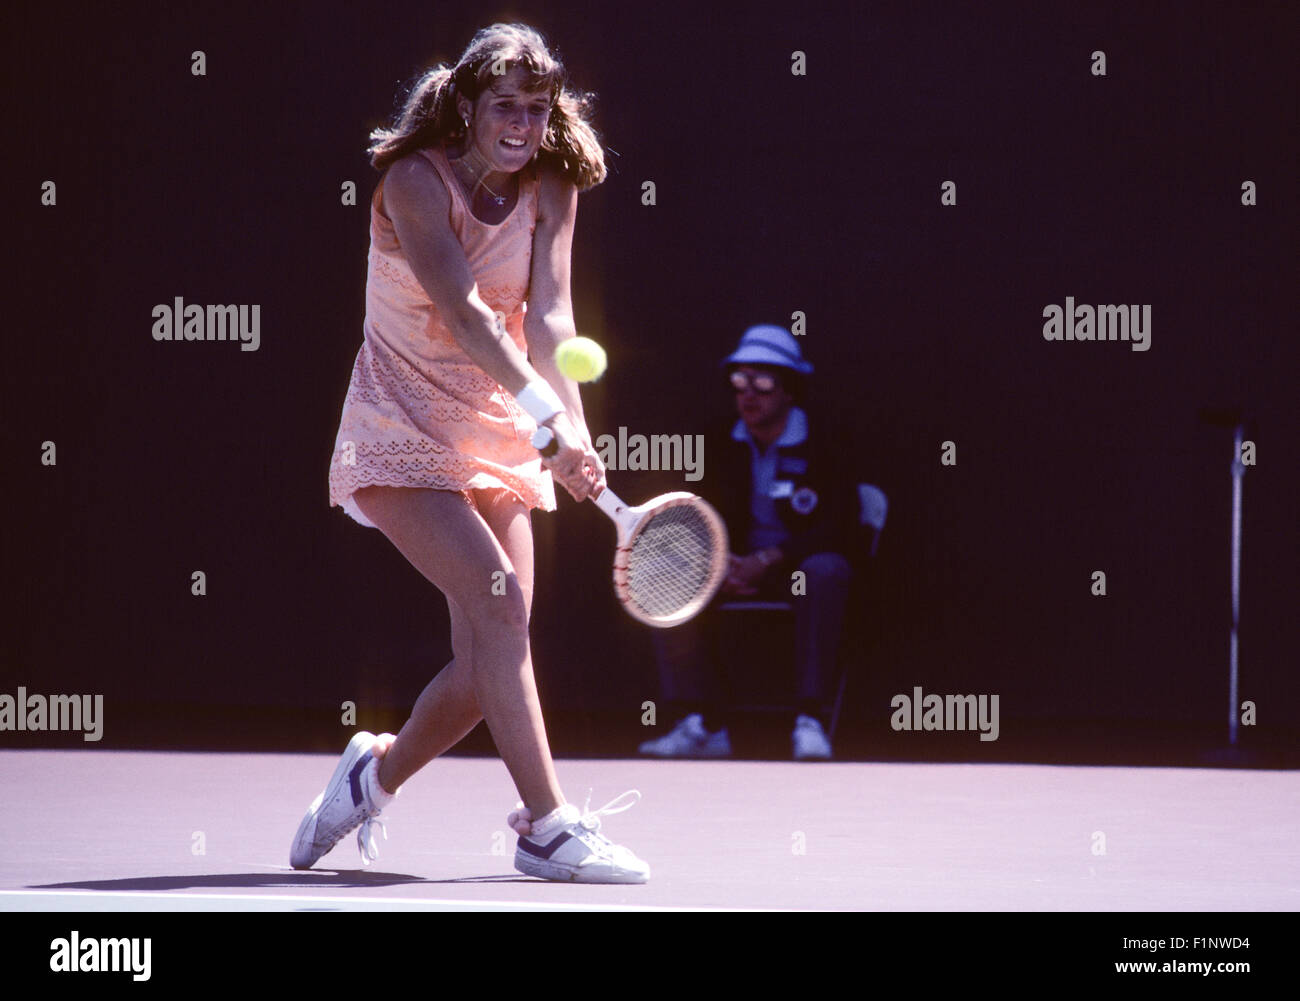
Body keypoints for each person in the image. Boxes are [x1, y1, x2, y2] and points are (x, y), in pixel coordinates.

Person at [295, 23, 648, 884]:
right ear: (466, 107)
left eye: (536, 108)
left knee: (499, 636)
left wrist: (576, 430)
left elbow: (554, 316)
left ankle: (371, 779)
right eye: (506, 108)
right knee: (497, 612)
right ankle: (548, 826)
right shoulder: (413, 180)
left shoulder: (554, 181)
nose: (524, 126)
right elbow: (464, 313)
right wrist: (544, 416)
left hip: (498, 424)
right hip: (399, 420)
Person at [640, 325, 862, 760]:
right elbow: (692, 514)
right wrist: (720, 564)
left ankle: (810, 719)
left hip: (796, 571)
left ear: (790, 390)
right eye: (740, 381)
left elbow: (844, 527)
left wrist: (771, 559)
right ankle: (700, 722)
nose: (748, 394)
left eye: (763, 382)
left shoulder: (829, 441)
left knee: (825, 573)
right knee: (664, 568)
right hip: (733, 567)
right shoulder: (718, 439)